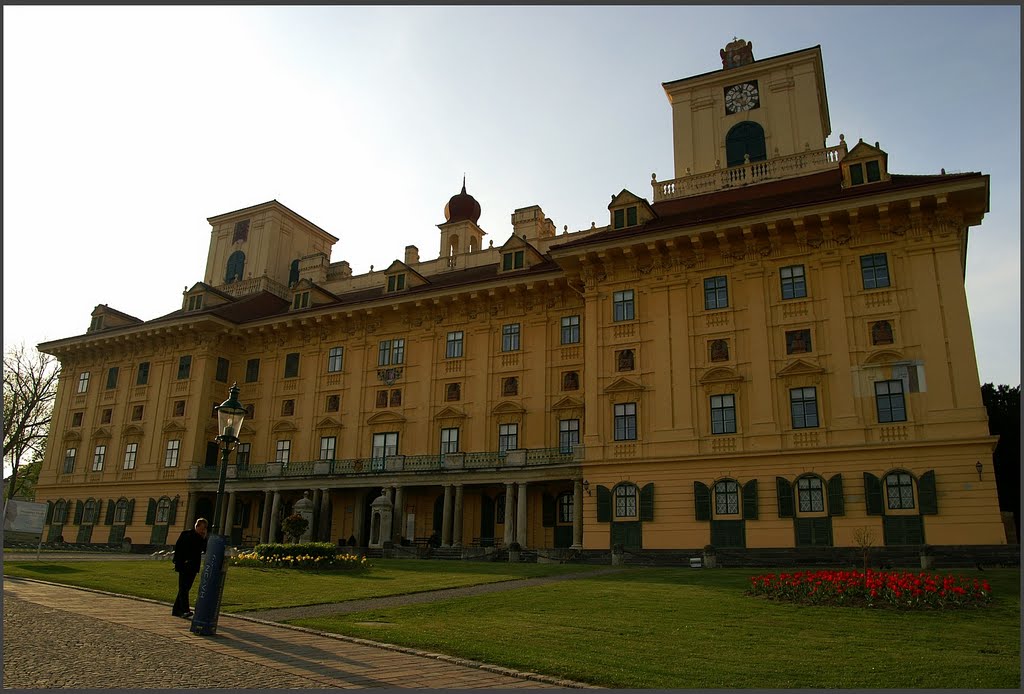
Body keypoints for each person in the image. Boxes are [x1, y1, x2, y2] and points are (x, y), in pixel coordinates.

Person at [172, 518, 208, 619]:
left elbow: (204, 549)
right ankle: (184, 610)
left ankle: (176, 610)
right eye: (202, 528)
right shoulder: (186, 534)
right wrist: (180, 562)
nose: (203, 530)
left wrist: (204, 538)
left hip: (193, 567)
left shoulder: (201, 538)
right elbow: (179, 548)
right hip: (184, 566)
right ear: (197, 526)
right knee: (184, 588)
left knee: (185, 588)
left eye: (204, 529)